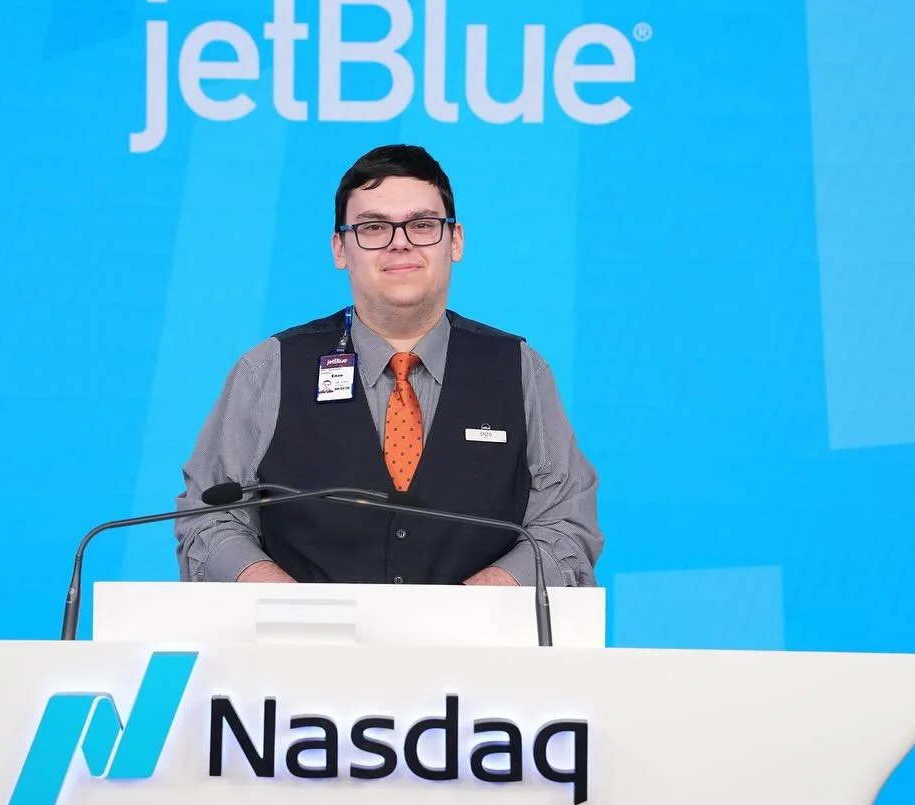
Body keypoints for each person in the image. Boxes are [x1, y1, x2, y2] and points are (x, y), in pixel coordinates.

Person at [174, 144, 603, 587]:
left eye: (421, 225)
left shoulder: (519, 370)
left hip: (478, 651)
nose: (400, 242)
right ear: (340, 248)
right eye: (374, 227)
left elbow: (566, 523)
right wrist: (274, 593)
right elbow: (209, 518)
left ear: (455, 241)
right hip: (304, 652)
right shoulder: (268, 368)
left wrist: (493, 591)